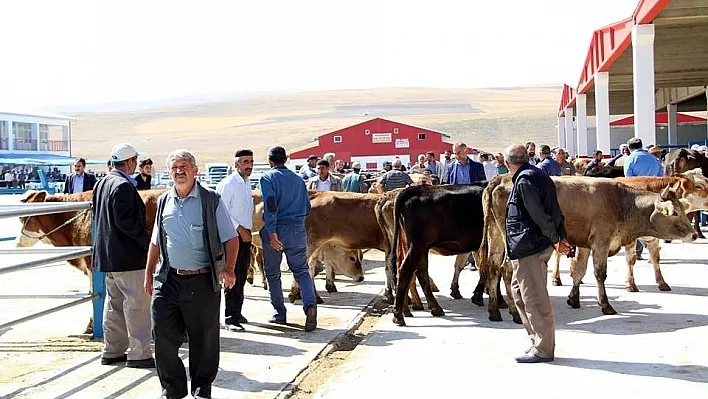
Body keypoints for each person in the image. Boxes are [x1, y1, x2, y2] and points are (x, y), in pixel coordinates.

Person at [145, 149, 238, 399]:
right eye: (174, 167)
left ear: (195, 170)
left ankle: (201, 389)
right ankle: (172, 390)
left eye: (184, 166)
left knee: (204, 341)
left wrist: (228, 269)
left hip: (203, 280)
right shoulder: (164, 200)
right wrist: (148, 274)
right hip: (169, 280)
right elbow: (156, 241)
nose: (179, 171)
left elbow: (231, 238)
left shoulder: (210, 200)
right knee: (162, 335)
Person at [504, 143, 570, 363]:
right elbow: (555, 210)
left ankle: (543, 349)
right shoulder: (538, 175)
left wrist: (556, 239)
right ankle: (537, 341)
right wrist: (560, 236)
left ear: (506, 164)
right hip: (528, 247)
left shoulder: (525, 180)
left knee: (534, 299)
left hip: (530, 247)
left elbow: (540, 216)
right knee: (520, 294)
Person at [92, 143, 154, 369]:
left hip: (109, 257)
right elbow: (127, 223)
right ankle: (139, 354)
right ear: (129, 162)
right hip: (128, 257)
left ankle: (112, 350)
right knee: (136, 304)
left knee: (114, 304)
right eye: (135, 161)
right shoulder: (123, 187)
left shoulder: (103, 183)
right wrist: (150, 243)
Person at [259, 146, 318, 331]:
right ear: (286, 159)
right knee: (301, 270)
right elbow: (308, 207)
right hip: (297, 228)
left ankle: (279, 314)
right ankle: (310, 307)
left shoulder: (267, 178)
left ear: (270, 160)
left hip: (276, 229)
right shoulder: (299, 179)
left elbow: (270, 205)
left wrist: (271, 231)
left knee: (273, 274)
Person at [216, 149, 255, 332]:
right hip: (232, 237)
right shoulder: (229, 184)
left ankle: (237, 312)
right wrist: (240, 230)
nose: (249, 165)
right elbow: (220, 211)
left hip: (245, 236)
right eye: (245, 162)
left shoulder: (246, 183)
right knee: (232, 274)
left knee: (241, 275)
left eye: (251, 162)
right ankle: (230, 318)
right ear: (236, 164)